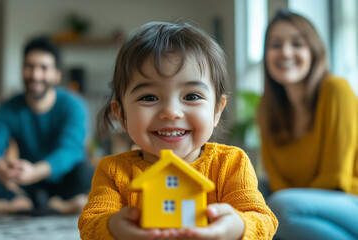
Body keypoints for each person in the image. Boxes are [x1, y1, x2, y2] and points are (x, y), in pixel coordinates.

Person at [78, 21, 278, 240]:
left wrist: (237, 227)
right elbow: (90, 224)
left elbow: (262, 219)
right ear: (121, 114)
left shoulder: (230, 164)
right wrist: (114, 226)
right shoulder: (113, 171)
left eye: (191, 96)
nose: (171, 112)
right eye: (149, 97)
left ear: (217, 110)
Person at [0, 36, 94, 216]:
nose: (35, 75)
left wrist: (36, 171)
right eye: (29, 66)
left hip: (60, 181)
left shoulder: (74, 106)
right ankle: (52, 206)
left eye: (44, 68)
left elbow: (70, 151)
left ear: (57, 74)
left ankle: (16, 206)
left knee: (86, 172)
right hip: (23, 181)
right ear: (22, 69)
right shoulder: (7, 109)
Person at [257, 9, 358, 240]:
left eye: (297, 43)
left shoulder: (335, 90)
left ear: (313, 51)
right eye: (275, 45)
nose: (285, 52)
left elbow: (336, 178)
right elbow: (276, 180)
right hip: (300, 207)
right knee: (252, 193)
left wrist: (282, 203)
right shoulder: (268, 108)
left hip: (350, 200)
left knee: (281, 206)